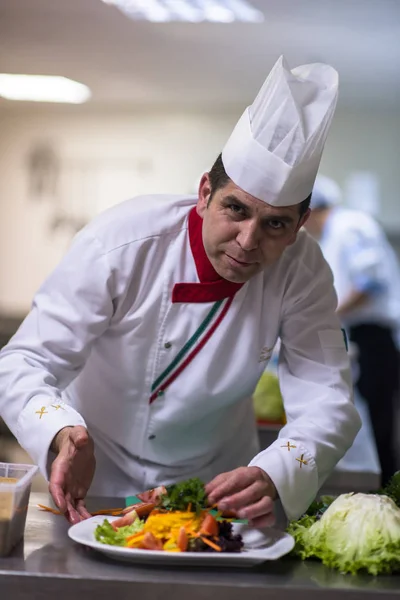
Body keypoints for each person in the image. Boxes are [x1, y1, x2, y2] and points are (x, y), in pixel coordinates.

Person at [0, 56, 361, 525]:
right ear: (205, 192)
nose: (249, 241)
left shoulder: (303, 269)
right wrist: (60, 430)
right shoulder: (120, 243)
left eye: (275, 223)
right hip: (95, 480)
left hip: (217, 491)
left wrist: (277, 471)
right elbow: (23, 362)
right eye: (236, 209)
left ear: (299, 225)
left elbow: (327, 396)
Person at [305, 175, 400, 485]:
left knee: (379, 419)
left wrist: (329, 315)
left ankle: (387, 488)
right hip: (360, 333)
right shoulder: (333, 234)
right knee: (371, 417)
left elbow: (369, 283)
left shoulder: (350, 226)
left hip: (375, 335)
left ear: (312, 211)